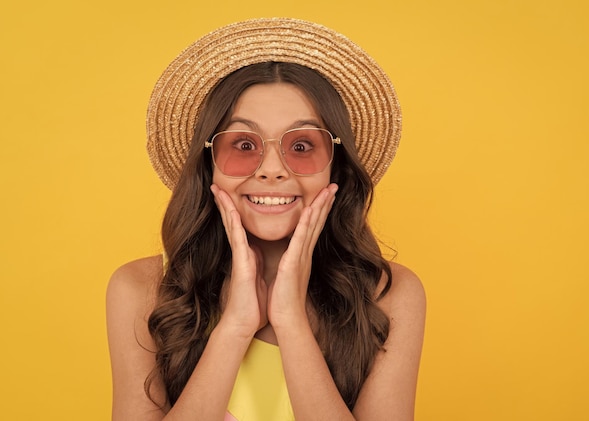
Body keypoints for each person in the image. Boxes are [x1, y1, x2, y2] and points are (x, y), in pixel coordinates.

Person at [106, 17, 426, 421]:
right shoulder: (140, 290)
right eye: (243, 144)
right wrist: (236, 326)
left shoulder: (390, 295)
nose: (272, 170)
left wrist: (291, 321)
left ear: (336, 167)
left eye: (301, 145)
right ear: (209, 165)